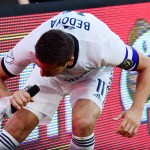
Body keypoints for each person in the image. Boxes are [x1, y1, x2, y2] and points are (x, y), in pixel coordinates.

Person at [0, 11, 150, 150]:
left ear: (70, 61)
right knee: (17, 127)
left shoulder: (103, 47)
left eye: (48, 70)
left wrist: (137, 109)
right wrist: (8, 100)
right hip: (55, 73)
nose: (42, 73)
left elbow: (146, 66)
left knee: (83, 122)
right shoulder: (30, 46)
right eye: (39, 66)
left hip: (92, 73)